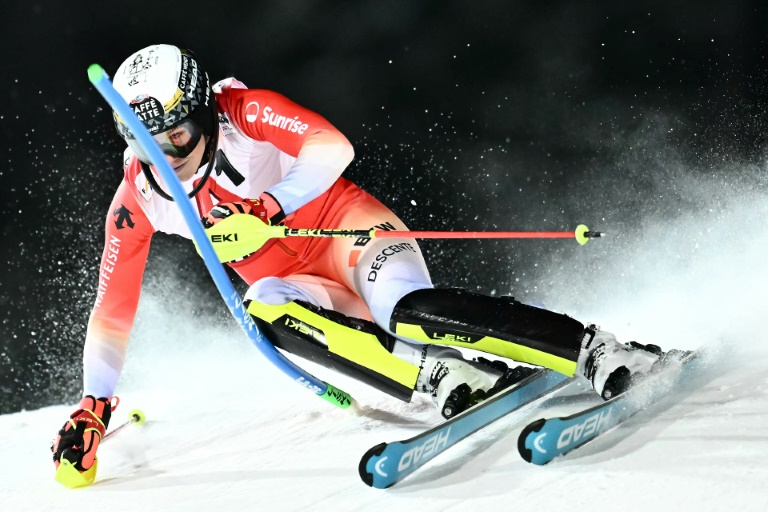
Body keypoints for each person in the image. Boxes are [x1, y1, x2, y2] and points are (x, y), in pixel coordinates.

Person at [52, 44, 668, 480]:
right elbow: (114, 305)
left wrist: (270, 203)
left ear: (202, 114)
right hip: (304, 286)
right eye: (146, 145)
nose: (169, 160)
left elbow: (332, 146)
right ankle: (441, 377)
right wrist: (92, 407)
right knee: (264, 308)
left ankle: (597, 350)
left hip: (351, 236)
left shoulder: (243, 114)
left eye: (178, 139)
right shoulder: (138, 199)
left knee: (406, 312)